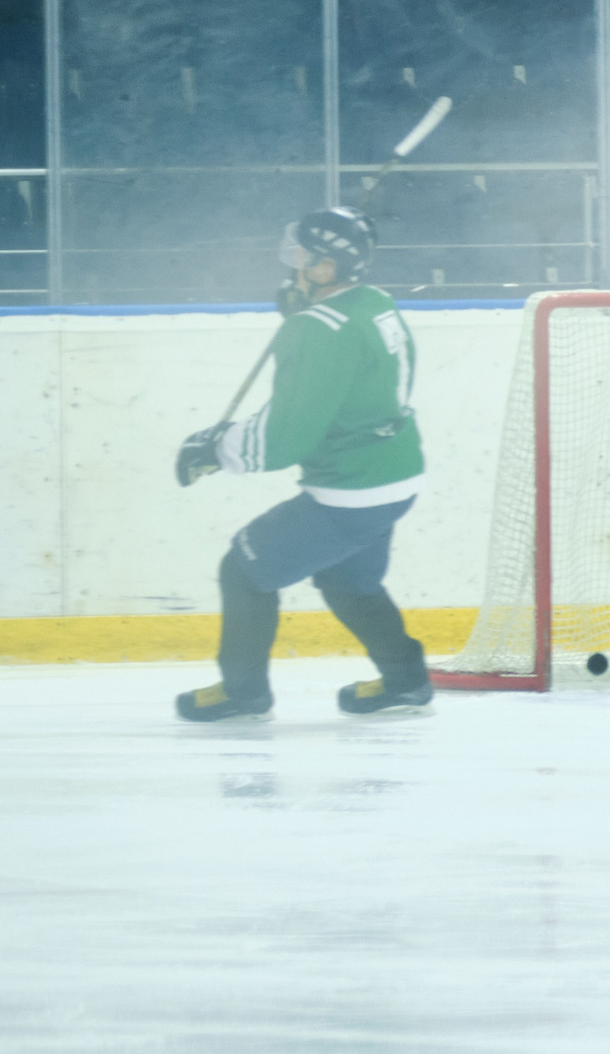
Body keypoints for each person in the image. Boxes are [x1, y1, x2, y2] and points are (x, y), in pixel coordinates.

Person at [171, 208, 431, 722]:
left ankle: (243, 691)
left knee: (245, 569)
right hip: (395, 477)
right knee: (348, 582)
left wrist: (218, 450)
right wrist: (304, 316)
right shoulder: (374, 303)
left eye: (305, 257)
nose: (293, 262)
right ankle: (406, 679)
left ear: (329, 269)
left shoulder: (316, 331)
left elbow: (286, 435)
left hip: (348, 492)